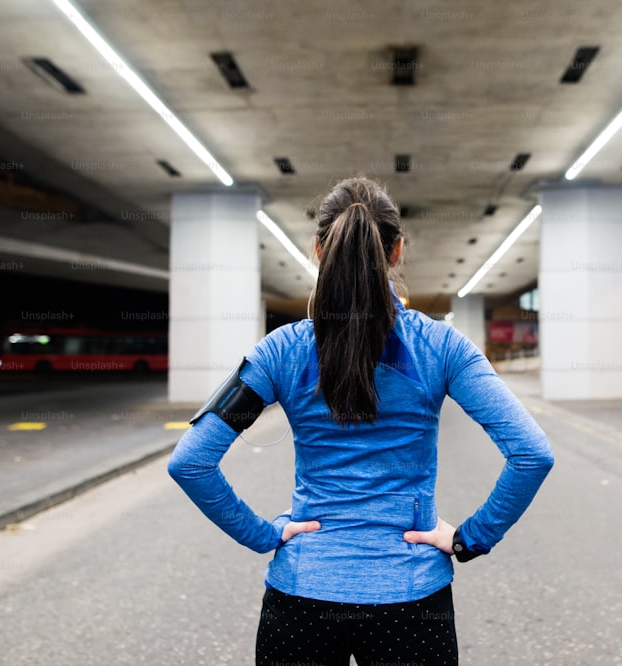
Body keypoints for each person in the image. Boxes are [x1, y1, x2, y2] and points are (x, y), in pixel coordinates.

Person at [168, 176, 554, 665]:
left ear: (317, 250)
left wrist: (263, 535)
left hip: (301, 598)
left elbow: (191, 462)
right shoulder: (442, 346)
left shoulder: (279, 351)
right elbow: (531, 453)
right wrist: (468, 539)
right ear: (396, 253)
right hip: (412, 603)